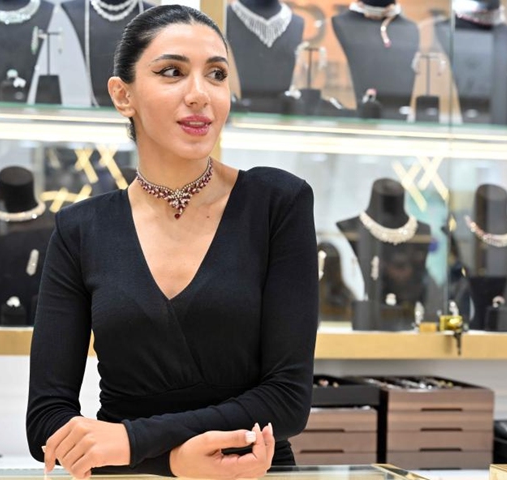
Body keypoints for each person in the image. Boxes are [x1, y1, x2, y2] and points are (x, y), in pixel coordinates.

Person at [25, 4, 319, 479]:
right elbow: (45, 421)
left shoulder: (277, 203)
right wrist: (173, 461)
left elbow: (287, 400)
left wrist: (135, 440)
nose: (200, 94)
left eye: (217, 74)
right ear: (123, 95)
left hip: (247, 472)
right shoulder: (81, 228)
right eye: (172, 72)